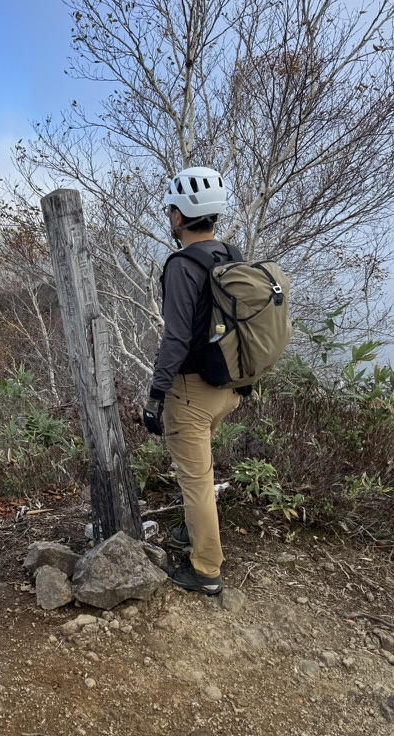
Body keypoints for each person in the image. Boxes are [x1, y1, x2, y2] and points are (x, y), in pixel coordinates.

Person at [141, 166, 241, 596]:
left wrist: (156, 394)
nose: (170, 217)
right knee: (201, 471)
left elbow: (176, 338)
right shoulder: (230, 255)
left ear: (180, 216)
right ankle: (191, 531)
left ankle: (206, 571)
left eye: (171, 210)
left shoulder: (182, 265)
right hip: (228, 388)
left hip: (191, 392)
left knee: (196, 480)